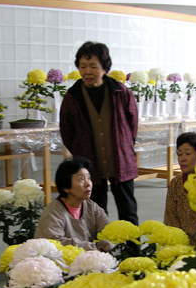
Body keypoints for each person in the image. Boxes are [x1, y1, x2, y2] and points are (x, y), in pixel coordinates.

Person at [60, 41, 139, 224]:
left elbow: (132, 123)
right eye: (83, 66)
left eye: (93, 66)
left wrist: (124, 145)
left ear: (105, 68)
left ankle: (132, 250)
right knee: (94, 212)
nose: (87, 71)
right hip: (89, 161)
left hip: (120, 159)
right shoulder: (72, 96)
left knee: (128, 210)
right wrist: (80, 150)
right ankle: (98, 251)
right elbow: (67, 130)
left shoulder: (121, 92)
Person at [34, 158, 110, 250]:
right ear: (66, 187)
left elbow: (108, 230)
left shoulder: (92, 207)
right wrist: (96, 247)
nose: (88, 184)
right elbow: (54, 244)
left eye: (89, 178)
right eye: (81, 179)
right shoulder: (53, 212)